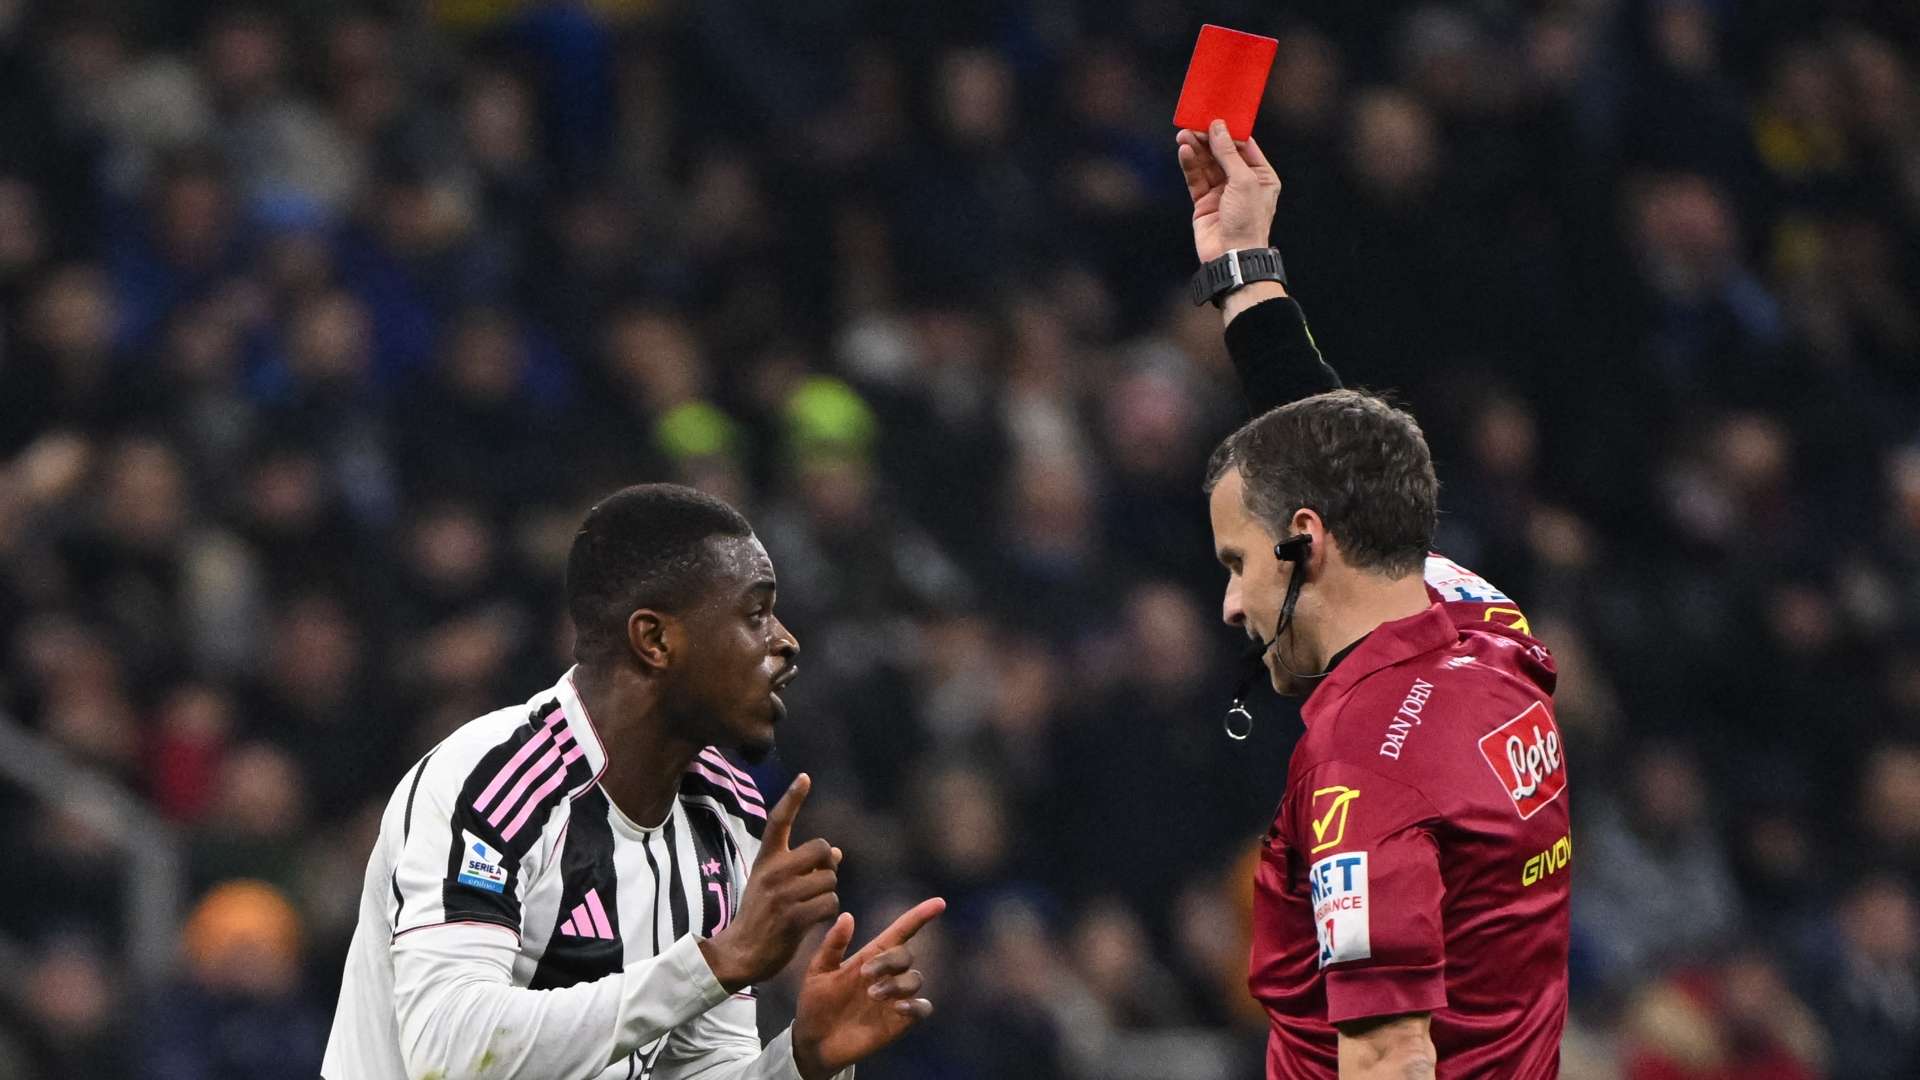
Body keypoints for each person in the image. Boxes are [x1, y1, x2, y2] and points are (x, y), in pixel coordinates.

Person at [1176, 120, 1571, 1078]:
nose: (1229, 604)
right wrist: (1242, 264)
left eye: (1236, 563)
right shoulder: (1481, 618)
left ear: (1305, 543)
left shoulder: (1367, 773)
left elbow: (1391, 1055)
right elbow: (1332, 459)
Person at [323, 484, 943, 1080]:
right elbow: (447, 1052)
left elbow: (703, 1069)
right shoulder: (491, 781)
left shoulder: (725, 812)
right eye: (756, 613)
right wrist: (712, 964)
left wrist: (802, 1062)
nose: (786, 642)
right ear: (655, 639)